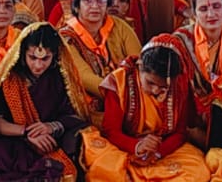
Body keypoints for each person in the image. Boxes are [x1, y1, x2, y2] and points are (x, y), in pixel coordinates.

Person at [79, 37, 211, 182]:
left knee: (198, 172)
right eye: (150, 82)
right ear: (139, 66)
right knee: (104, 169)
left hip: (165, 148)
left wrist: (158, 152)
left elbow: (180, 132)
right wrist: (137, 146)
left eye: (163, 87)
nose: (155, 90)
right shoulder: (118, 82)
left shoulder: (178, 84)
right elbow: (111, 131)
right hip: (124, 146)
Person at [0, 22, 89, 182]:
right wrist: (28, 133)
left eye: (45, 58)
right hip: (16, 139)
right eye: (32, 57)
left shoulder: (61, 77)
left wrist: (51, 127)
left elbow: (76, 115)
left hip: (52, 141)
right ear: (22, 53)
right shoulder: (10, 79)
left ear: (55, 55)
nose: (38, 65)